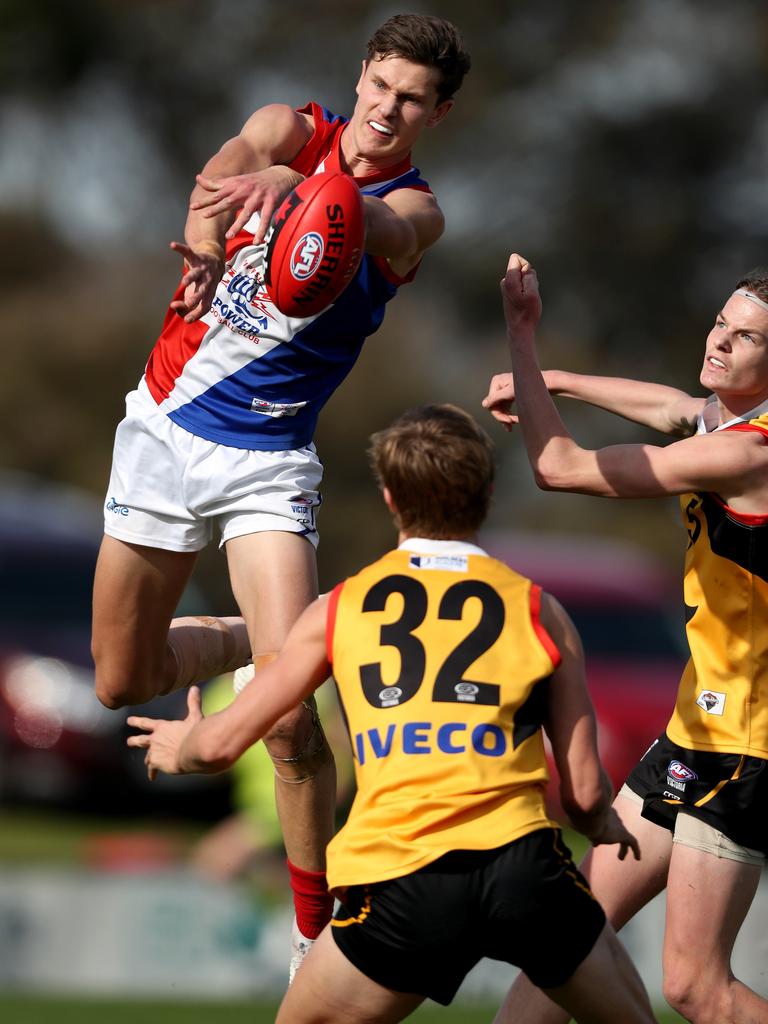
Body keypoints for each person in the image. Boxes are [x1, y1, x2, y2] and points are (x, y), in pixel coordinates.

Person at [90, 14, 470, 974]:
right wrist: (206, 238)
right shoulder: (287, 126)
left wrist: (304, 188)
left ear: (438, 112)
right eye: (380, 86)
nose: (389, 108)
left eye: (413, 97)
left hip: (266, 460)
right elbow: (227, 166)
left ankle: (315, 936)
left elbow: (370, 225)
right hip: (164, 429)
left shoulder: (418, 210)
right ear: (361, 77)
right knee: (120, 682)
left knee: (292, 714)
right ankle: (253, 640)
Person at [125, 403, 658, 1024]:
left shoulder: (342, 608)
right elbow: (587, 789)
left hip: (404, 877)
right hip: (524, 873)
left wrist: (179, 745)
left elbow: (224, 743)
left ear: (389, 497)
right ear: (487, 492)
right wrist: (603, 828)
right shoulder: (541, 611)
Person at [482, 254, 768, 1024]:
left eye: (745, 339)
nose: (720, 342)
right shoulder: (724, 420)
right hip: (693, 730)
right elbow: (675, 407)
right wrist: (563, 381)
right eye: (721, 323)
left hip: (746, 745)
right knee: (568, 937)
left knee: (696, 987)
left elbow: (559, 467)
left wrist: (523, 341)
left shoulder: (747, 454)